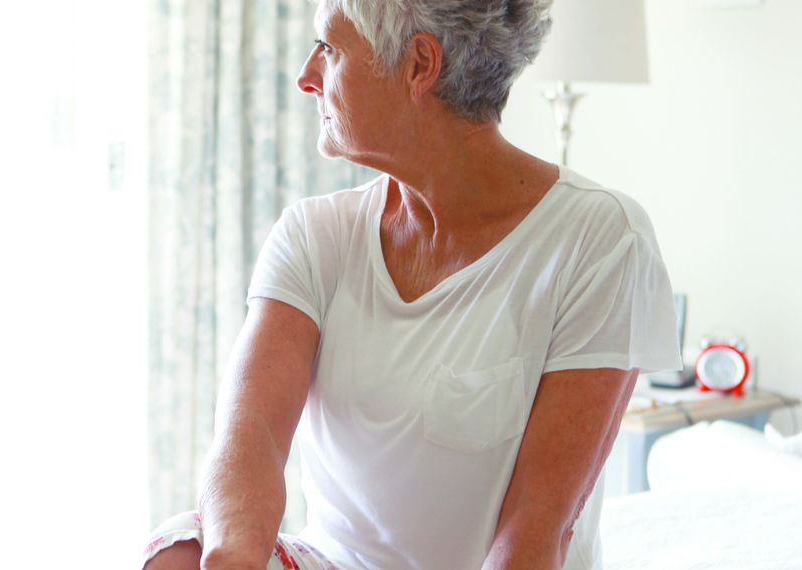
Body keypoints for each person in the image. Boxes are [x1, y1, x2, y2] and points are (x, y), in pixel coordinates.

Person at [143, 0, 681, 568]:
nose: (306, 76)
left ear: (420, 64)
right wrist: (234, 558)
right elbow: (251, 437)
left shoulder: (600, 238)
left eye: (329, 48)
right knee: (181, 550)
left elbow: (539, 524)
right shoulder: (314, 234)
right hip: (335, 561)